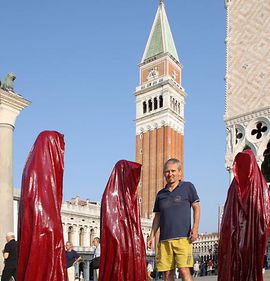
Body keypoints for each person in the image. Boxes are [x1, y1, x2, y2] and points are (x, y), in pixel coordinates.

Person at [147, 158, 200, 281]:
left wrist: (195, 228)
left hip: (183, 238)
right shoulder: (160, 194)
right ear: (164, 173)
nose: (170, 174)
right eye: (167, 171)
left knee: (184, 270)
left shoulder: (188, 187)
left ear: (180, 172)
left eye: (173, 171)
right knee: (167, 274)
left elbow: (196, 207)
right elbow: (158, 216)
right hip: (164, 240)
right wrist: (151, 236)